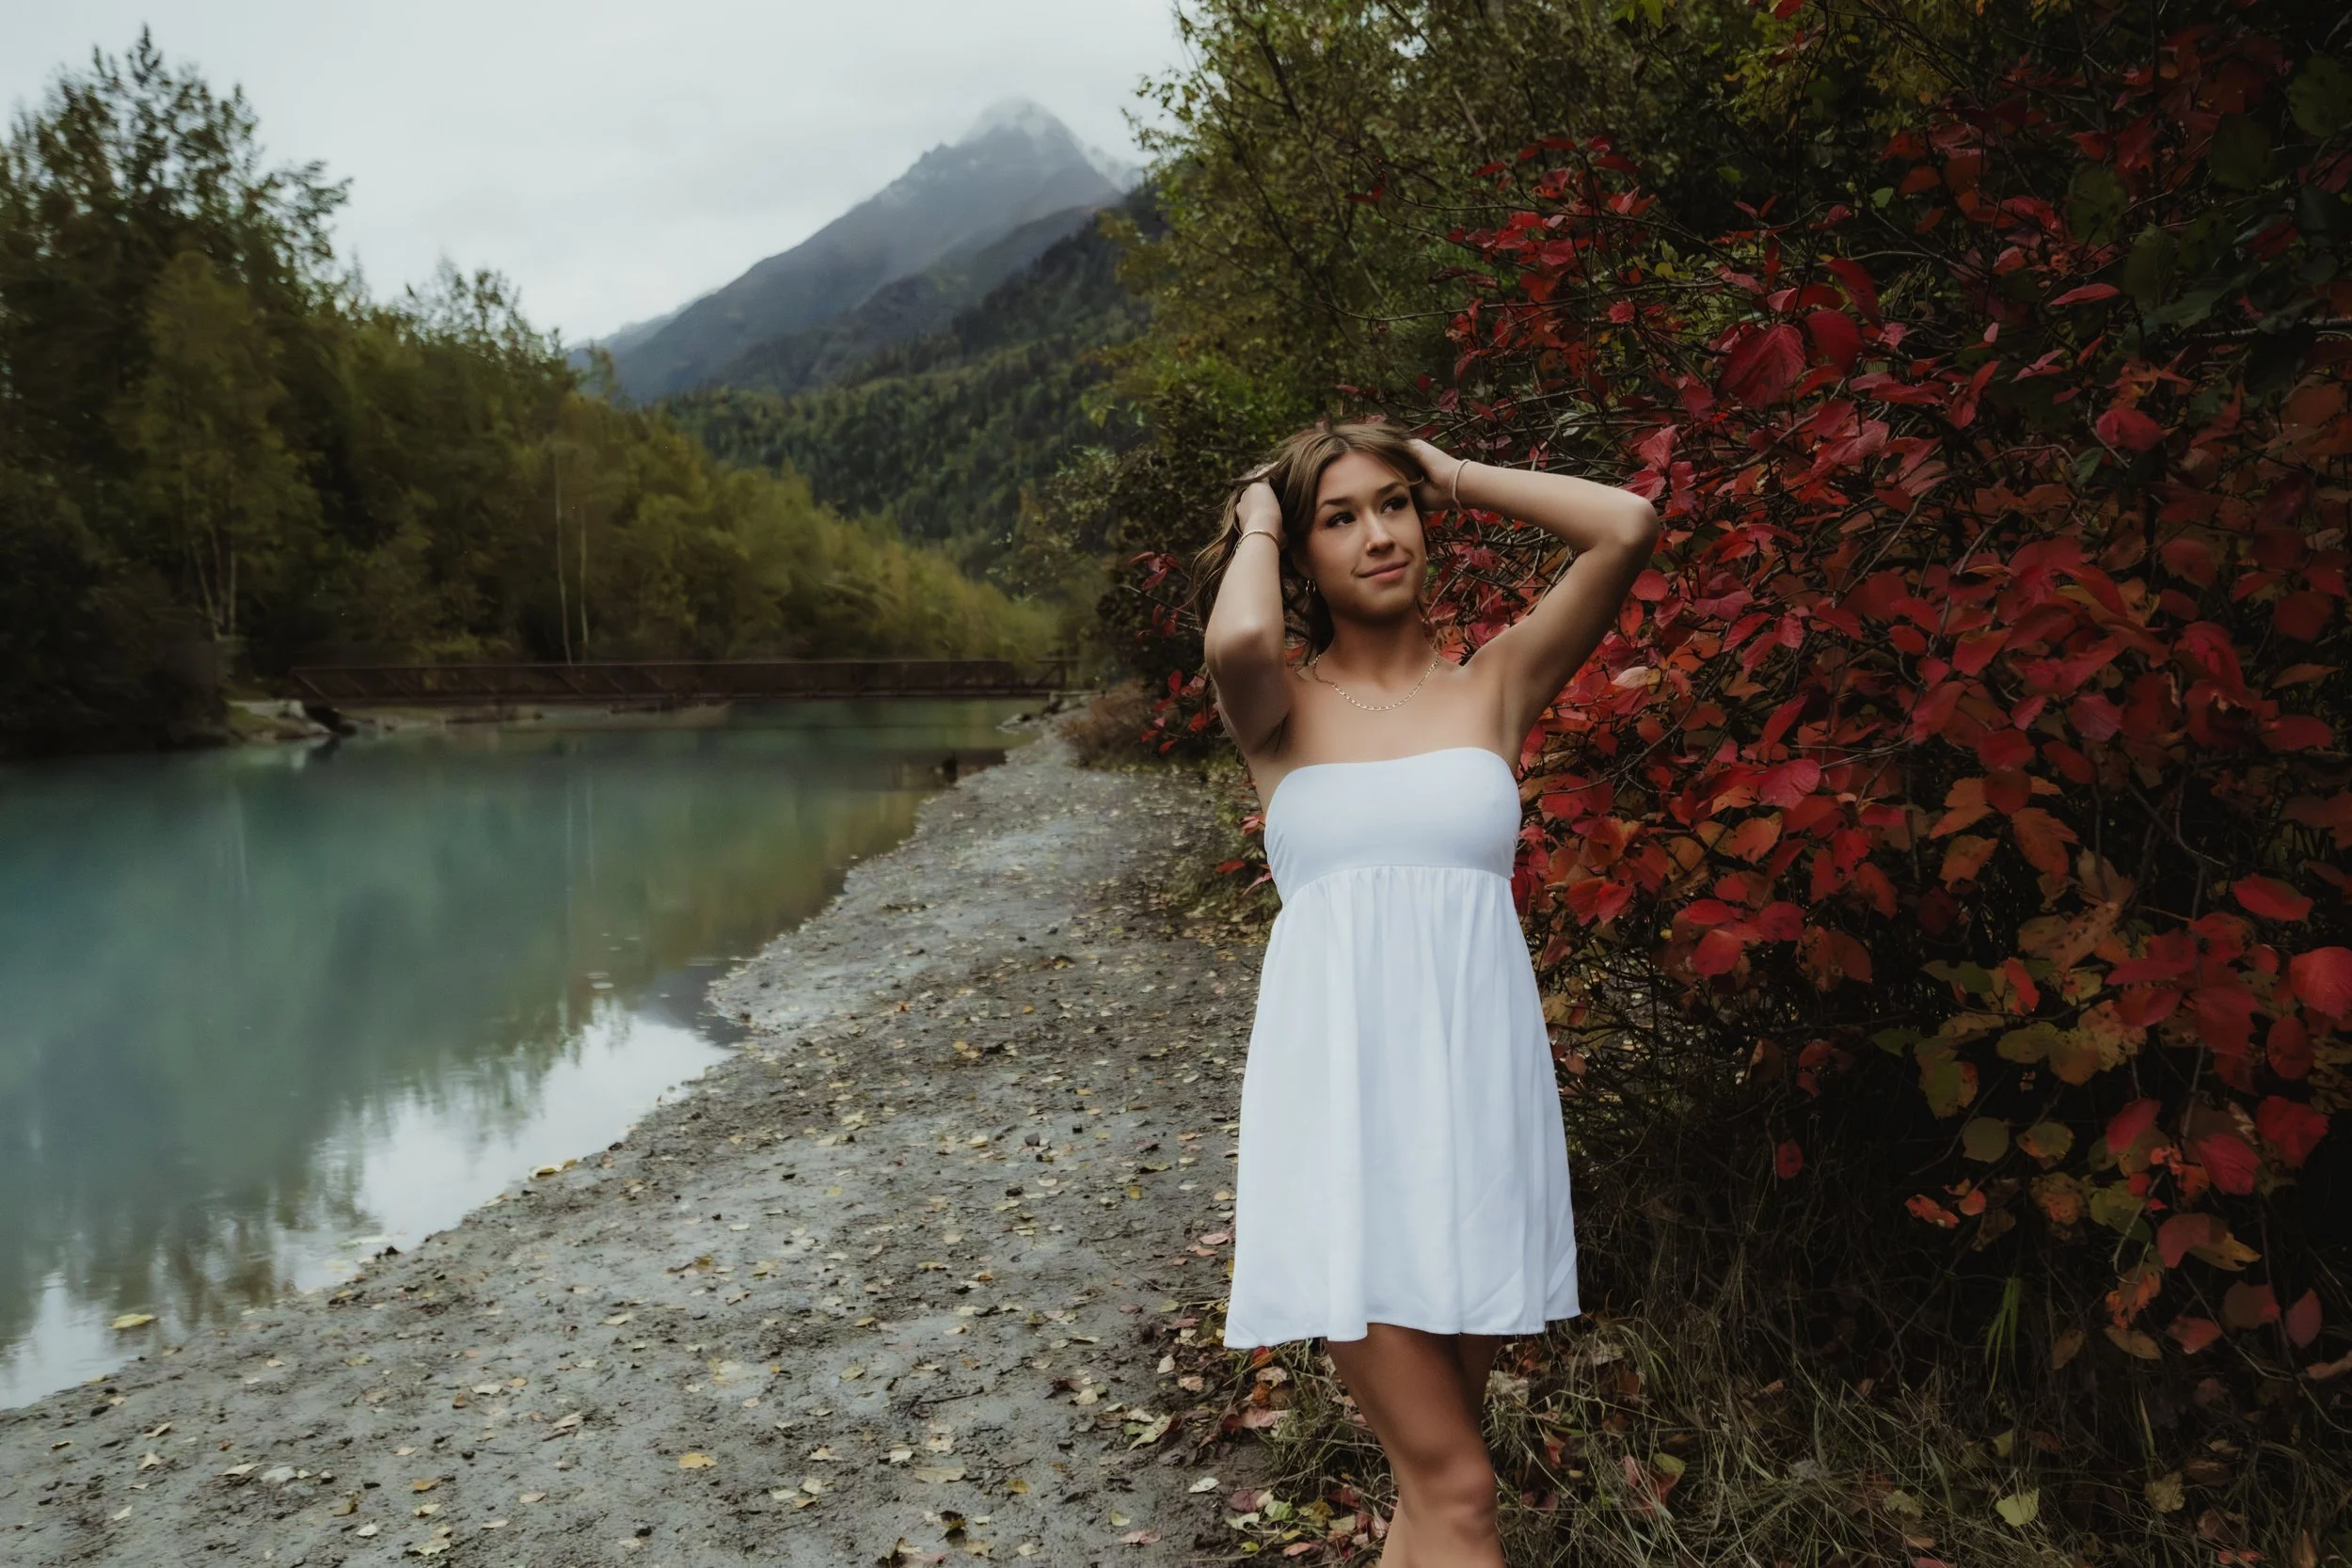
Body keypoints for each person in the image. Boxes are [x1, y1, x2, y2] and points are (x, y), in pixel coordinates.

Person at [1192, 420, 1659, 1567]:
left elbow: (1626, 523)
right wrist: (1263, 504)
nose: (1377, 532)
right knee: (1461, 1489)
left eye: (1392, 505)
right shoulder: (1275, 709)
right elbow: (1241, 629)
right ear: (1302, 554)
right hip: (1342, 1133)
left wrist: (1448, 469)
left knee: (1429, 1487)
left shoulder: (1495, 684)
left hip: (1475, 1124)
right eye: (1338, 518)